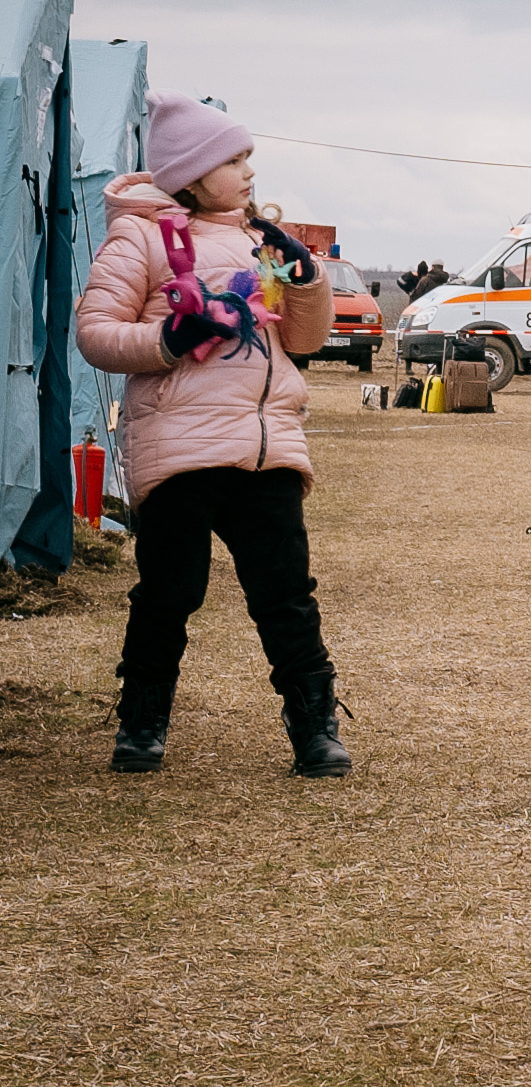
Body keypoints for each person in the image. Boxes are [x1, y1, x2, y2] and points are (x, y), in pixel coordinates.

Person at [75, 93, 352, 779]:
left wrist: (306, 278)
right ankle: (142, 720)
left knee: (285, 591)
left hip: (266, 448)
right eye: (234, 159)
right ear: (193, 174)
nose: (248, 170)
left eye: (248, 156)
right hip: (180, 449)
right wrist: (169, 338)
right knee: (170, 590)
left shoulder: (261, 242)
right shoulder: (139, 237)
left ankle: (314, 724)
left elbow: (305, 339)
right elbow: (95, 334)